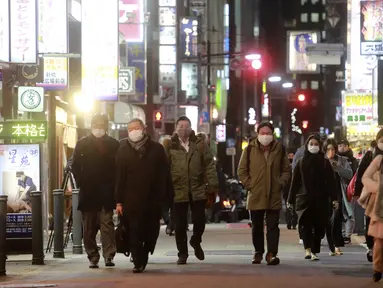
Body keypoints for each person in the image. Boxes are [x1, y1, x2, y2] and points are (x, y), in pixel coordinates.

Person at [115, 118, 171, 273]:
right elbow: (119, 177)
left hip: (152, 199)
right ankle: (138, 261)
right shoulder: (122, 150)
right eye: (130, 129)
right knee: (133, 230)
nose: (134, 132)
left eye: (136, 128)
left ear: (144, 129)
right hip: (130, 200)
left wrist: (164, 197)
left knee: (151, 230)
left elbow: (164, 175)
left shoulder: (157, 149)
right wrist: (118, 201)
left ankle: (145, 252)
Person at [162, 116, 218, 265]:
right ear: (175, 128)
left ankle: (196, 240)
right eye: (180, 125)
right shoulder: (170, 145)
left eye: (186, 126)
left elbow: (209, 165)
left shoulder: (200, 144)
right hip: (178, 190)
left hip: (198, 189)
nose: (183, 128)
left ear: (191, 127)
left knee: (200, 221)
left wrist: (213, 185)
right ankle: (182, 253)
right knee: (179, 225)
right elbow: (164, 168)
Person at [238, 122, 291, 265]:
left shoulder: (279, 149)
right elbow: (242, 171)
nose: (265, 136)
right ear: (257, 134)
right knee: (257, 226)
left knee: (273, 226)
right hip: (256, 194)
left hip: (273, 193)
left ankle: (272, 254)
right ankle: (258, 252)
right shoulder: (249, 149)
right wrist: (250, 185)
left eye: (268, 133)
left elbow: (287, 170)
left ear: (273, 135)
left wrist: (280, 183)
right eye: (263, 133)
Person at [72, 113, 119, 269]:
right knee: (89, 227)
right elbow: (75, 166)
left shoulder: (114, 144)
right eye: (96, 125)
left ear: (106, 126)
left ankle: (109, 256)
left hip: (107, 192)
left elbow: (119, 168)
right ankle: (93, 256)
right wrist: (81, 181)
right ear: (91, 126)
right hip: (88, 191)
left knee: (107, 225)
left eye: (102, 125)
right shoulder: (82, 144)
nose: (99, 128)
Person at [287, 134, 337, 261]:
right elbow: (295, 182)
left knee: (319, 227)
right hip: (304, 200)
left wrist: (334, 198)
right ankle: (308, 250)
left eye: (316, 144)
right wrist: (290, 199)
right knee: (305, 225)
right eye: (311, 144)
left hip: (321, 200)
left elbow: (331, 182)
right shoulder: (301, 162)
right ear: (307, 146)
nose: (313, 146)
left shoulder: (325, 163)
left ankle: (315, 249)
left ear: (320, 147)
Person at [323, 139, 353, 256]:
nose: (331, 151)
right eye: (328, 149)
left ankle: (335, 246)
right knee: (326, 219)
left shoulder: (341, 160)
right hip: (324, 194)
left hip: (338, 193)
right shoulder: (321, 161)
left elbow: (350, 174)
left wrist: (338, 168)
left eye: (333, 149)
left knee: (336, 219)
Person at [361, 129, 383, 282]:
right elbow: (365, 177)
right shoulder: (379, 159)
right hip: (380, 204)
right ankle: (377, 268)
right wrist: (378, 188)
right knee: (380, 240)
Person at [355, 140, 378, 262]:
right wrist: (357, 193)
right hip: (372, 196)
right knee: (370, 221)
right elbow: (362, 176)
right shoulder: (370, 156)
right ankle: (371, 248)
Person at [338, 139, 358, 243]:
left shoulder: (353, 160)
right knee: (339, 211)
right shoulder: (336, 159)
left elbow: (354, 174)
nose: (342, 147)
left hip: (349, 189)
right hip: (338, 189)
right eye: (340, 145)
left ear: (348, 147)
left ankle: (347, 234)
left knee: (349, 212)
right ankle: (341, 233)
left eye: (344, 145)